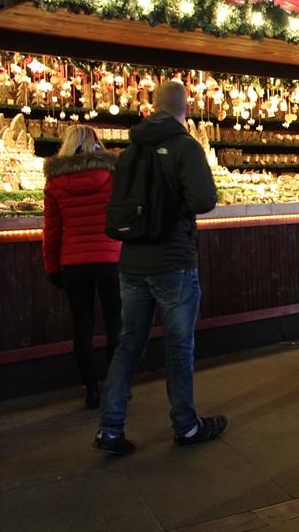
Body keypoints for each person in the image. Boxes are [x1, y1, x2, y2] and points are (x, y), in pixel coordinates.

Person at [94, 82, 224, 455]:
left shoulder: (130, 151)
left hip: (131, 262)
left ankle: (110, 428)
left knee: (128, 343)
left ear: (154, 107)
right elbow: (203, 200)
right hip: (172, 263)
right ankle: (185, 426)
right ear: (185, 108)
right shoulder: (185, 147)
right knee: (179, 346)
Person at [43, 126, 122, 410]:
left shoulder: (54, 183)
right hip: (111, 259)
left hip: (73, 263)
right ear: (97, 145)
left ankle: (91, 390)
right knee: (116, 325)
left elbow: (52, 231)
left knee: (83, 327)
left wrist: (52, 267)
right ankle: (117, 387)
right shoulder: (112, 176)